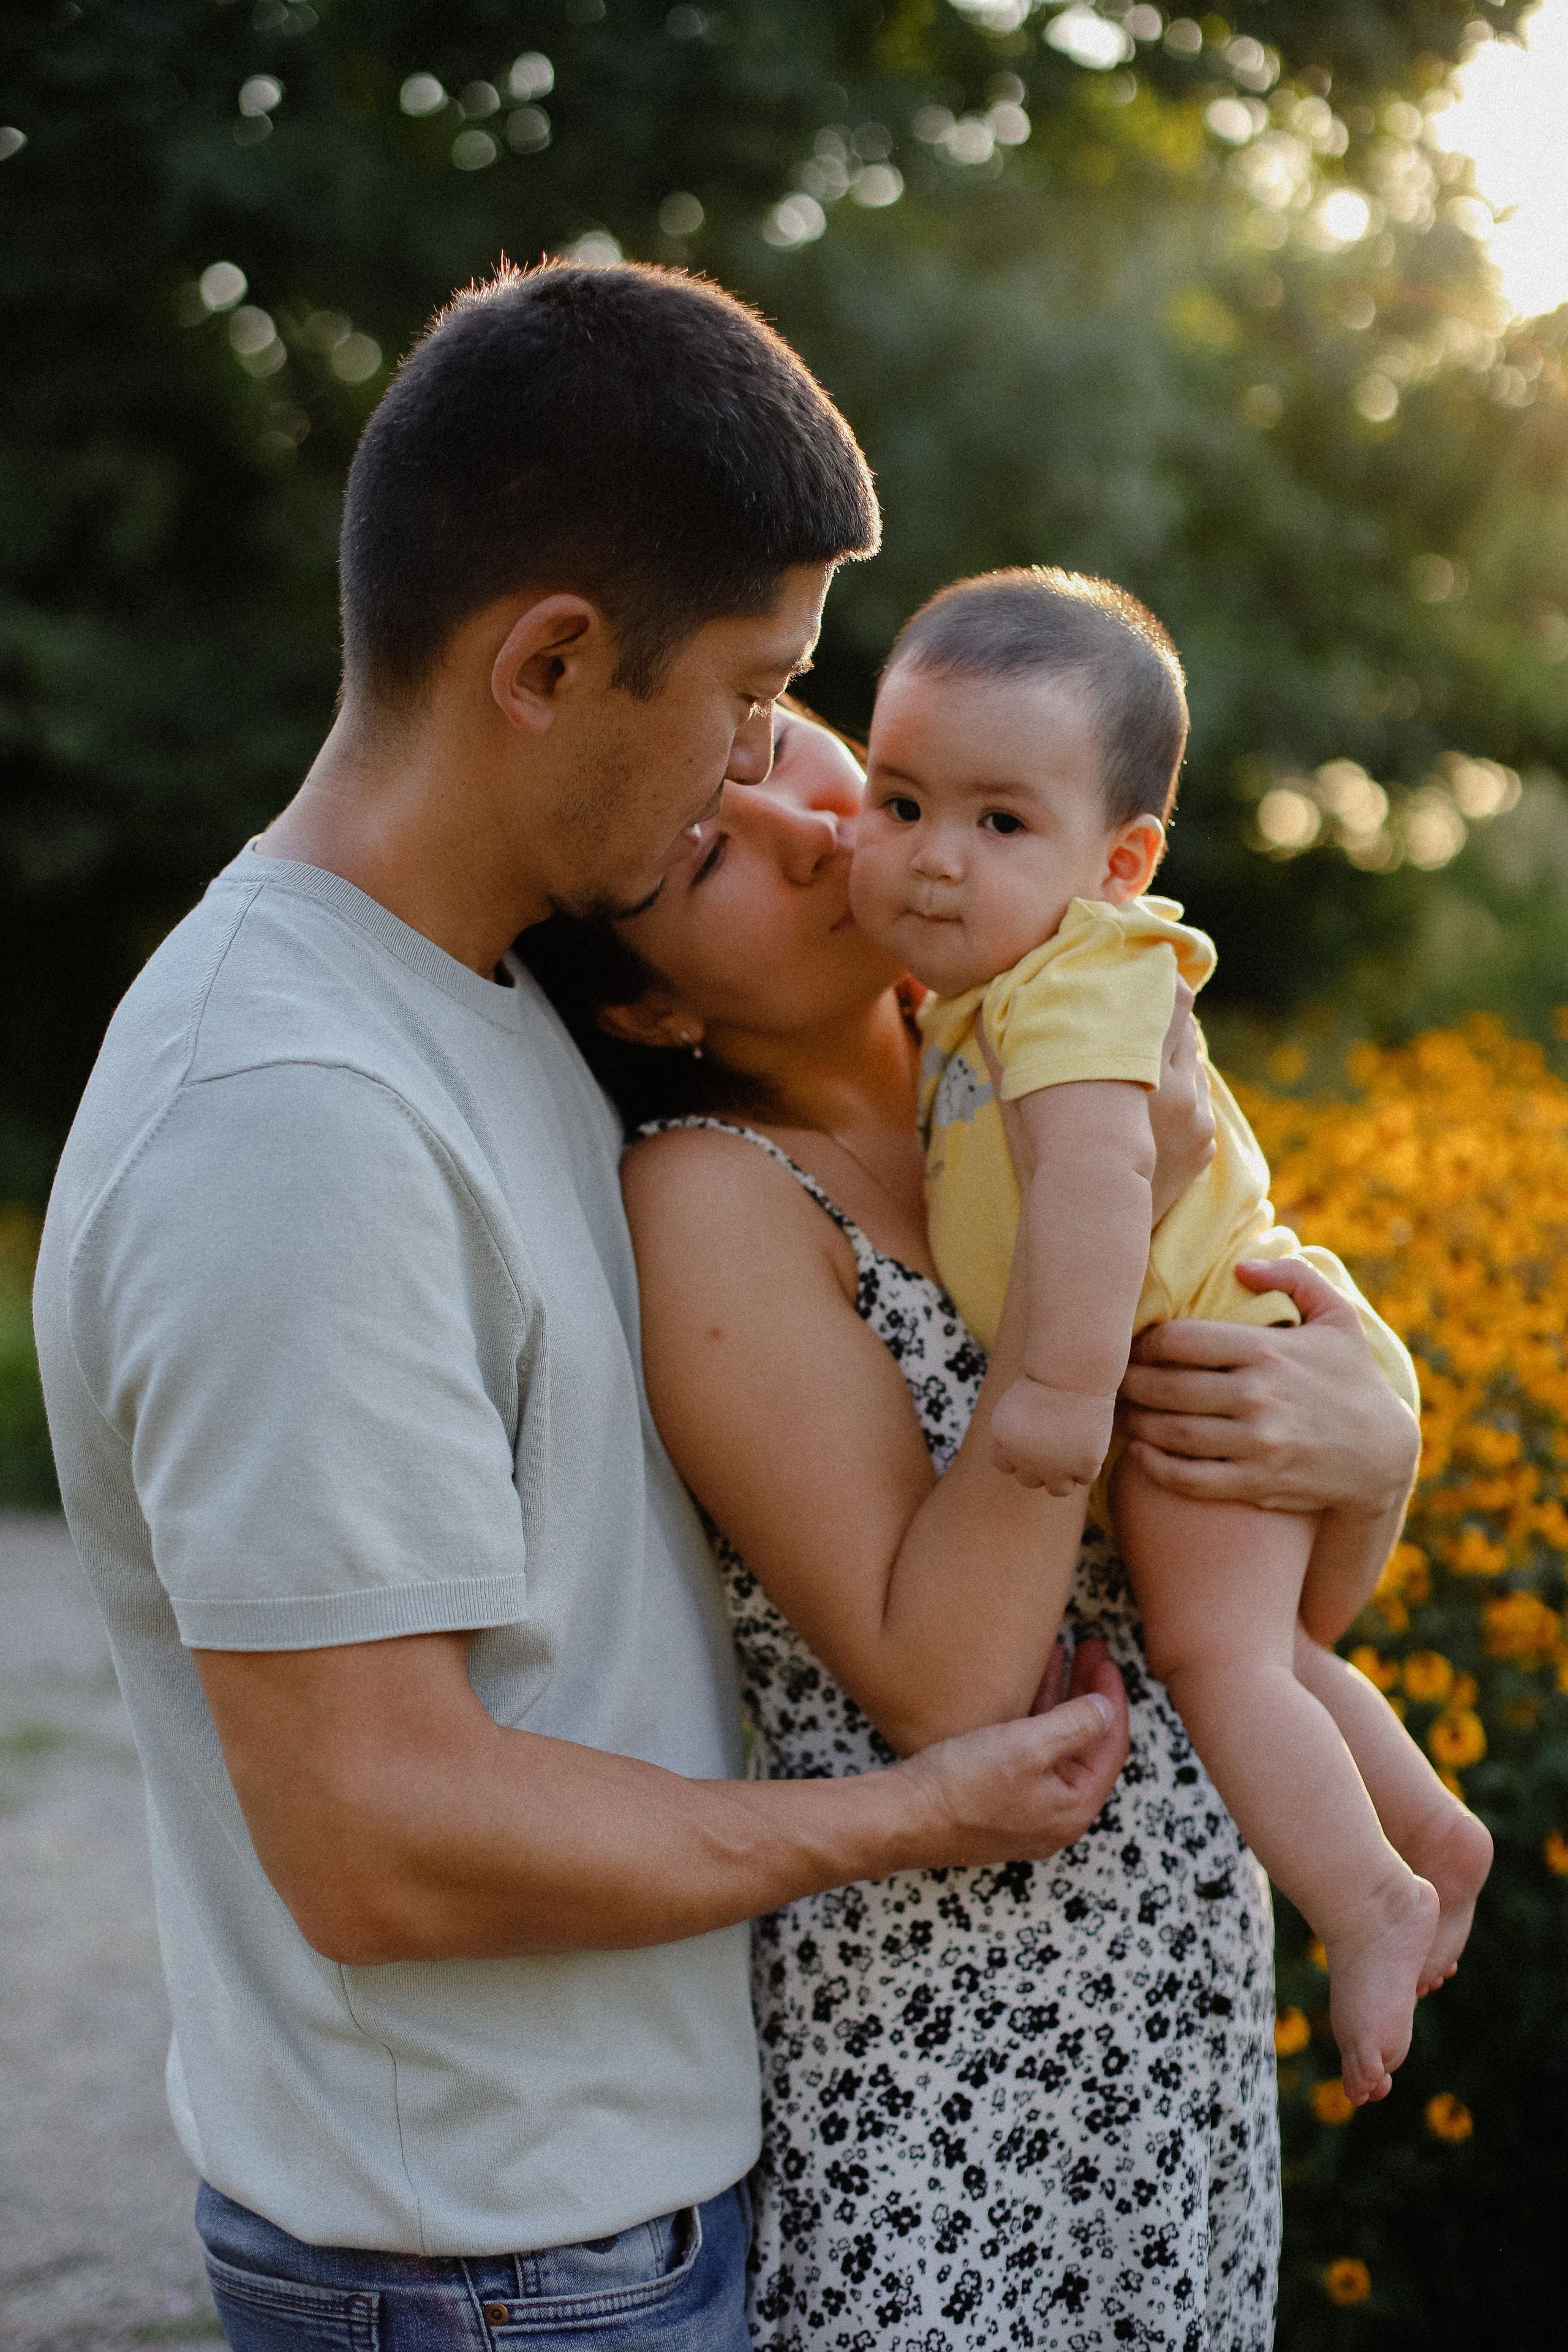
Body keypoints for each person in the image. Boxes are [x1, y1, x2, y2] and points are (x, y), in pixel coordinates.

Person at [32, 265, 1141, 2352]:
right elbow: (381, 1835)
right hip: (485, 2271)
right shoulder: (291, 1116)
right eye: (749, 691)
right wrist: (914, 1815)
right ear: (548, 660)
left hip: (583, 2231)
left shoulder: (468, 1001)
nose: (778, 777)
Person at [520, 699, 1425, 2350]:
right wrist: (1097, 1269)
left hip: (1169, 1989)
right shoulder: (718, 1196)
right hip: (942, 2040)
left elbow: (1268, 1621)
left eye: (788, 741)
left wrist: (1375, 1455)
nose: (813, 825)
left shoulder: (1036, 1034)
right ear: (649, 1002)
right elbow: (948, 1685)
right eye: (713, 850)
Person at [845, 565, 1493, 2108]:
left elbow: (1095, 1180)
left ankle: (1367, 1900)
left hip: (1188, 1364)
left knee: (1213, 1655)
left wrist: (1053, 1412)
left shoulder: (1078, 979)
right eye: (896, 802)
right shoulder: (982, 983)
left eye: (1000, 823)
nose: (933, 861)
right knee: (1254, 1649)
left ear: (1117, 861)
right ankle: (1434, 1832)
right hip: (1203, 1353)